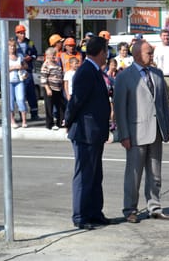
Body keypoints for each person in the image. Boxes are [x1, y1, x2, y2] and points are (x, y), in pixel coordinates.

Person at [114, 40, 169, 224]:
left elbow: (163, 103)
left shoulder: (157, 73)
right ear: (138, 55)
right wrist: (123, 135)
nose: (152, 56)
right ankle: (130, 209)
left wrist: (167, 128)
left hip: (156, 131)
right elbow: (119, 108)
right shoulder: (124, 77)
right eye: (149, 53)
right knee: (134, 174)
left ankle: (154, 207)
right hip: (135, 133)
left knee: (155, 172)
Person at [65, 36, 112, 230]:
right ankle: (81, 216)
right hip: (85, 132)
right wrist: (68, 121)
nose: (107, 55)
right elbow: (76, 101)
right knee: (84, 175)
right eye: (106, 51)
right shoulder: (86, 71)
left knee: (95, 174)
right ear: (101, 52)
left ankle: (94, 212)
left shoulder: (94, 70)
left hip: (95, 132)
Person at [15, 24, 40, 121]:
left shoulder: (30, 42)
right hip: (17, 70)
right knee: (21, 94)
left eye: (23, 33)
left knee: (31, 92)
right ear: (17, 34)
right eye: (20, 33)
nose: (23, 35)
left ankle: (34, 113)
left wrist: (31, 57)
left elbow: (35, 54)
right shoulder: (14, 43)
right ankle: (22, 115)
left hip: (28, 70)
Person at [41, 47, 64, 131]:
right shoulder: (46, 65)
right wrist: (47, 88)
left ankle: (59, 122)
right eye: (52, 55)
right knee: (49, 106)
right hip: (50, 88)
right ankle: (49, 124)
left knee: (59, 107)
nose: (54, 56)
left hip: (58, 88)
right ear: (47, 55)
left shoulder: (57, 64)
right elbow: (43, 78)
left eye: (55, 54)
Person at [7, 38, 28, 128]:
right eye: (10, 46)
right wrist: (14, 67)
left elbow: (26, 66)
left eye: (14, 46)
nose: (12, 48)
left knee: (21, 99)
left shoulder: (20, 56)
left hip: (19, 80)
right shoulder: (5, 56)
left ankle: (24, 120)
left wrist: (22, 66)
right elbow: (4, 69)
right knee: (10, 101)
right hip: (9, 81)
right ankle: (12, 120)